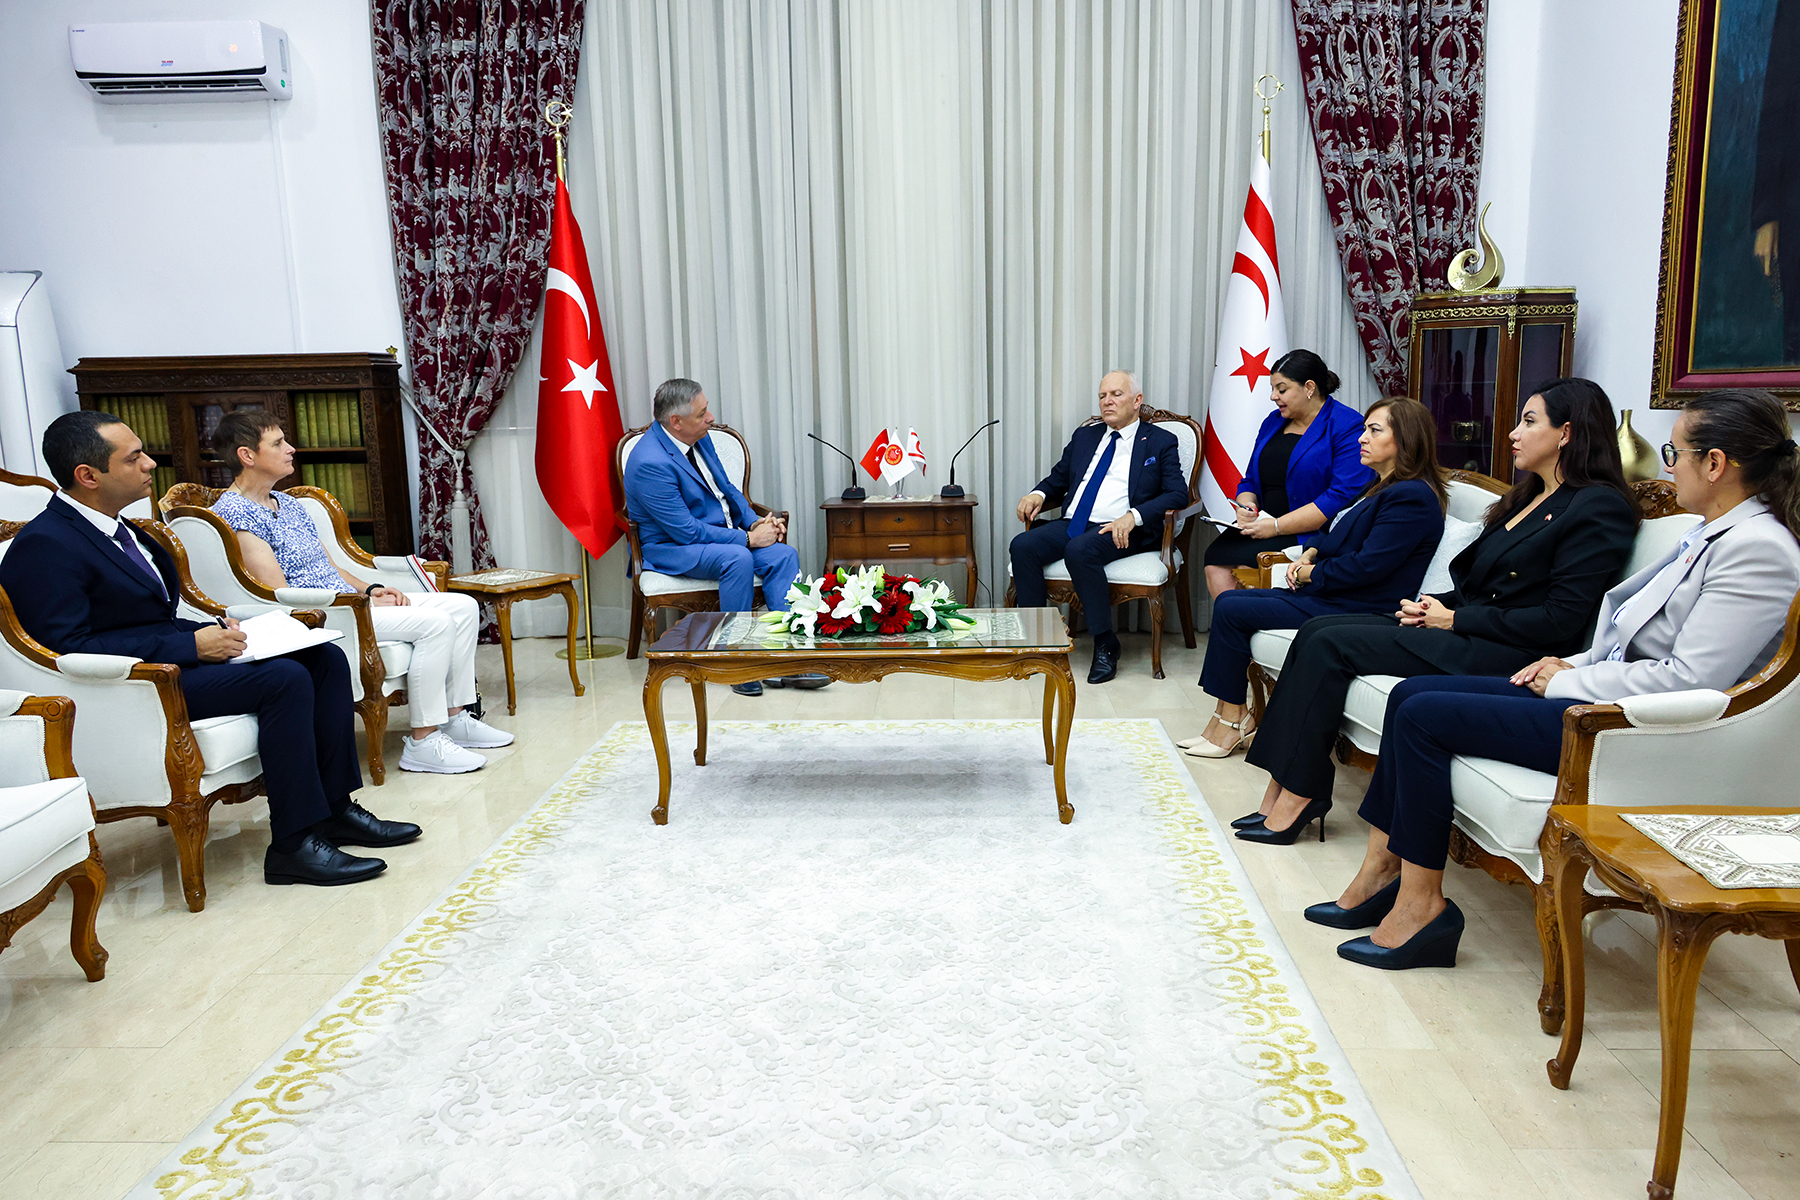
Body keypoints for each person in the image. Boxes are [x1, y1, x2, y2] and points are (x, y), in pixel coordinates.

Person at [1309, 388, 1800, 970]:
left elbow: (1690, 683)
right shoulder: (1716, 532)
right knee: (1412, 695)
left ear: (1715, 464)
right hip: (1609, 698)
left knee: (1421, 713)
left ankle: (1420, 907)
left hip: (1637, 731)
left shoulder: (1758, 549)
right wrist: (1572, 664)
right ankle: (1384, 873)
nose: (1669, 468)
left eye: (1675, 454)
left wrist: (1568, 683)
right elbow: (1624, 637)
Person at [0, 411, 418, 888]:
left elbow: (145, 616)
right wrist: (190, 645)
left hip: (166, 660)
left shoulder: (122, 528)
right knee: (283, 679)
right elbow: (67, 647)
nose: (150, 464)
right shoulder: (46, 544)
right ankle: (293, 845)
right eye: (134, 458)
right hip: (131, 685)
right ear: (88, 475)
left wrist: (213, 627)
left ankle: (335, 810)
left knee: (322, 658)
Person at [1237, 377, 1641, 845]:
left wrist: (1454, 618)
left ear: (1566, 433)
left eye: (1529, 422)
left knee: (1327, 641)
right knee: (1319, 631)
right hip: (1466, 629)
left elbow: (1560, 621)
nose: (1513, 433)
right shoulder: (1526, 496)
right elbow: (1481, 585)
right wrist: (1438, 603)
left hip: (1510, 653)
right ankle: (1283, 787)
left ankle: (1298, 795)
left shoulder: (1598, 506)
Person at [208, 410, 513, 776]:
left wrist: (371, 589)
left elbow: (326, 566)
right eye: (278, 443)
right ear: (247, 455)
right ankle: (424, 741)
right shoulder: (234, 513)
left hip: (348, 601)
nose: (291, 448)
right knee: (436, 623)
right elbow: (280, 593)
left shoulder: (287, 503)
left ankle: (455, 717)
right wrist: (355, 603)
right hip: (320, 616)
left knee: (461, 606)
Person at [1181, 397, 1447, 760]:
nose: (1361, 438)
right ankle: (1228, 715)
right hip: (1337, 595)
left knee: (1232, 607)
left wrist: (1310, 573)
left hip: (1361, 607)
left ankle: (1232, 720)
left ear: (1405, 439)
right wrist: (1310, 551)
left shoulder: (1411, 497)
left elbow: (1367, 567)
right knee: (1230, 603)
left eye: (1374, 431)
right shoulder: (1379, 485)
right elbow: (1335, 530)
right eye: (1364, 429)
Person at [623, 377, 826, 698]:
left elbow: (728, 490)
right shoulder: (650, 463)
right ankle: (734, 660)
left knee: (783, 555)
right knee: (738, 558)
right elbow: (685, 531)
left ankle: (788, 657)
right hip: (674, 548)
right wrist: (748, 539)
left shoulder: (699, 437)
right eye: (702, 413)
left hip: (721, 537)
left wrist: (757, 522)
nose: (711, 418)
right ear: (676, 422)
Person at [1010, 370, 1190, 684]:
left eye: (1116, 395)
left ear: (1137, 400)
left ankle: (1106, 644)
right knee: (1023, 545)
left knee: (1079, 550)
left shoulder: (1159, 441)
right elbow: (1059, 478)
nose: (1107, 401)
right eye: (1102, 396)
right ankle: (1038, 640)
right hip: (1075, 522)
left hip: (1124, 529)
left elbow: (1177, 494)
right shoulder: (1086, 436)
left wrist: (1133, 516)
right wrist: (1038, 494)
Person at [1203, 350, 1374, 601]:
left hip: (1314, 531)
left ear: (1309, 388)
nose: (1273, 396)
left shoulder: (1347, 425)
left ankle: (1249, 620)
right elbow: (1250, 479)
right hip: (1263, 524)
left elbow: (1340, 497)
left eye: (1281, 389)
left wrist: (1276, 527)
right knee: (1215, 559)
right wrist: (1246, 505)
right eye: (1273, 389)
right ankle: (1232, 622)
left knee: (1246, 565)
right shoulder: (1272, 422)